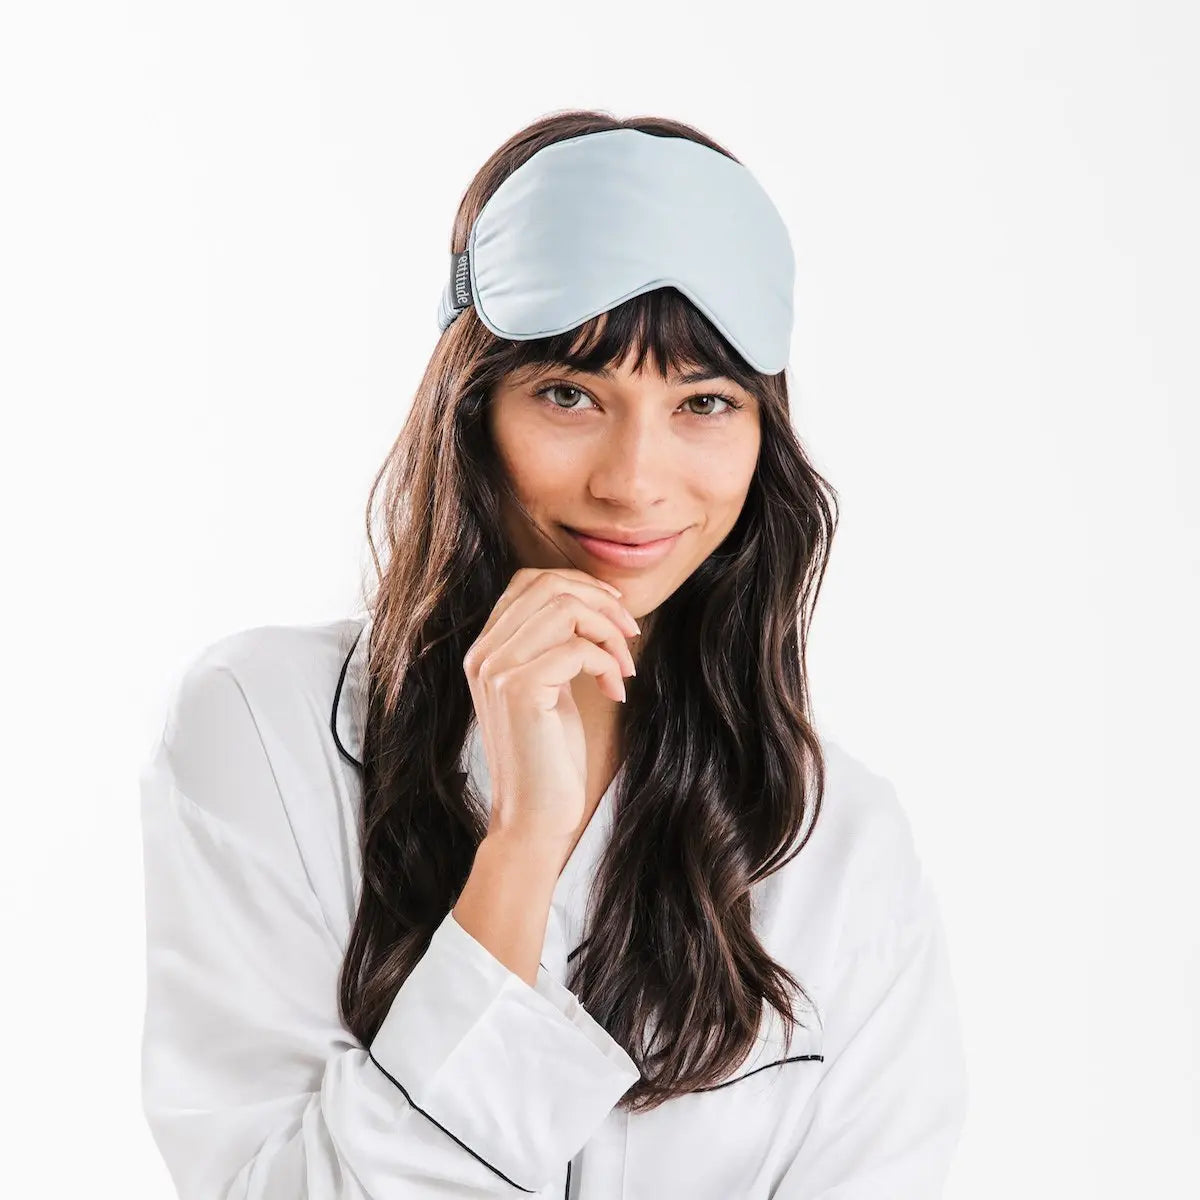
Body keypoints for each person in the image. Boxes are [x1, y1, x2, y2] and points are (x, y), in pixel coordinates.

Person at [138, 110, 969, 1200]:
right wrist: (522, 846)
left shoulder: (840, 838)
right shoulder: (263, 726)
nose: (634, 480)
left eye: (704, 403)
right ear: (471, 410)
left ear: (762, 439)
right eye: (570, 394)